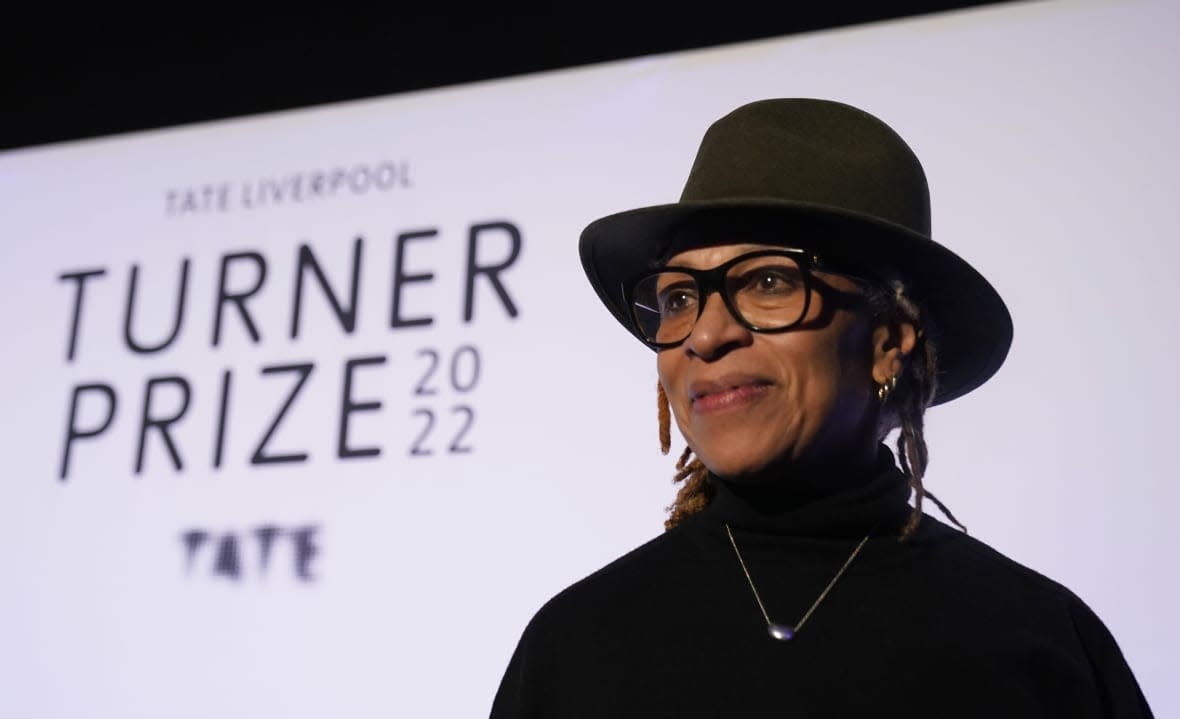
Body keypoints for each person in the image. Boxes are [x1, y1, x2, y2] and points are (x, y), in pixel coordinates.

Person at [489, 98, 1153, 717]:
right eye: (680, 297)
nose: (706, 334)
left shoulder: (1036, 645)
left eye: (770, 281)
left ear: (889, 340)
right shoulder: (577, 647)